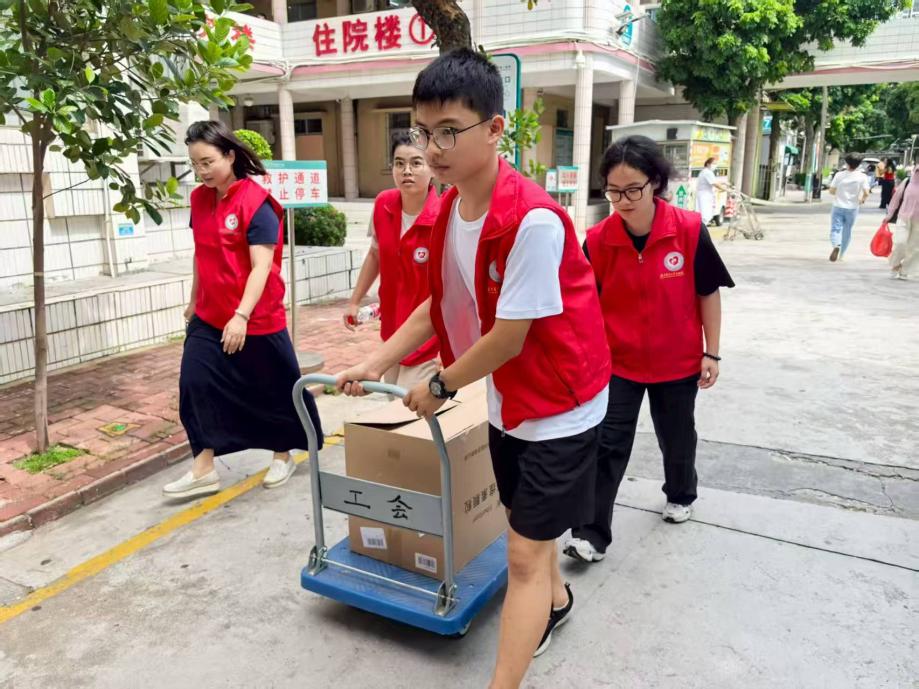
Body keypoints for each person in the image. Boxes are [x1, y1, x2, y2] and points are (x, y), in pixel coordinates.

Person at [335, 49, 611, 688]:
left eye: (448, 131)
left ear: (494, 129)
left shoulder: (532, 220)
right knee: (525, 526)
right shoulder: (447, 210)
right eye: (423, 132)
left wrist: (439, 383)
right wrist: (376, 359)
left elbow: (510, 338)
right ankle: (558, 601)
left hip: (561, 405)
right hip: (507, 401)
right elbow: (439, 305)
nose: (431, 149)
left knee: (521, 554)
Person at [563, 136, 734, 564]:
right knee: (607, 445)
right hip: (618, 364)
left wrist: (711, 352)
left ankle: (681, 493)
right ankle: (590, 534)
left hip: (677, 362)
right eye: (613, 191)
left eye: (633, 190)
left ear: (655, 182)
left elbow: (708, 292)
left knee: (676, 437)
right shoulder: (598, 240)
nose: (623, 201)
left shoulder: (688, 229)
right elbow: (583, 304)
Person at [163, 121, 323, 499]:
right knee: (195, 383)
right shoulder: (199, 200)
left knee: (274, 389)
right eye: (195, 164)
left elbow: (261, 267)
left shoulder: (257, 203)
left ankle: (282, 454)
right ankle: (203, 468)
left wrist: (242, 315)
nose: (202, 171)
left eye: (208, 162)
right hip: (209, 315)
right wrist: (193, 299)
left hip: (257, 316)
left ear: (230, 156)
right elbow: (201, 254)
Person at [343, 133, 440, 390]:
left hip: (428, 340)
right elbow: (375, 254)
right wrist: (354, 301)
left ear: (433, 168)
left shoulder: (443, 218)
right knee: (390, 399)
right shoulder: (383, 204)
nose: (407, 171)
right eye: (399, 163)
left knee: (411, 407)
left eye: (416, 163)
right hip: (391, 332)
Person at [827, 153, 870, 262]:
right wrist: (862, 200)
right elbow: (866, 192)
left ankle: (836, 245)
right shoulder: (862, 176)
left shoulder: (839, 175)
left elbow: (831, 191)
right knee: (847, 230)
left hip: (838, 205)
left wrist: (839, 193)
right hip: (853, 207)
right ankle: (842, 254)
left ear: (847, 163)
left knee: (835, 229)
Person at [885, 162, 918, 281]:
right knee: (900, 242)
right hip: (903, 217)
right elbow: (896, 199)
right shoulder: (907, 182)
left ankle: (905, 270)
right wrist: (889, 214)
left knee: (914, 248)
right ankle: (895, 265)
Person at [695, 156, 728, 225]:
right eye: (713, 163)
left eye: (716, 164)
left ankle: (702, 228)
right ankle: (701, 229)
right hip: (704, 196)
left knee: (705, 215)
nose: (715, 165)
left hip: (705, 195)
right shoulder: (707, 172)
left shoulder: (706, 172)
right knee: (705, 215)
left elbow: (714, 181)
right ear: (708, 164)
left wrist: (724, 183)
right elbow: (714, 183)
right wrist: (725, 189)